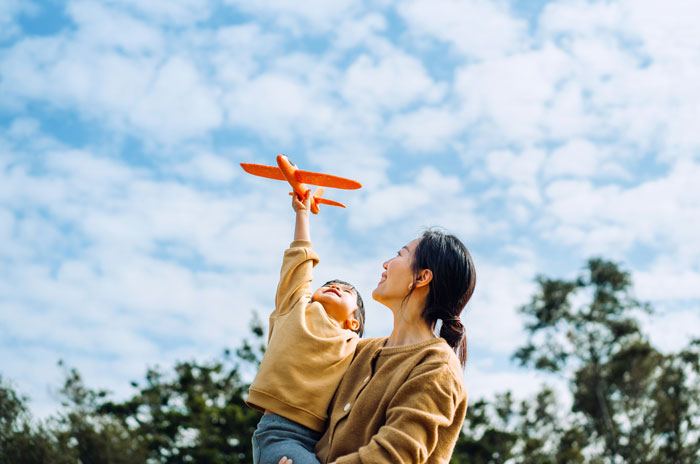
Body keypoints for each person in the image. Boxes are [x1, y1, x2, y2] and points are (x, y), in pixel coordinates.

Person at [280, 228, 476, 464]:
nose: (386, 264)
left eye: (400, 255)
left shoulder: (437, 366)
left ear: (422, 277)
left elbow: (393, 456)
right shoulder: (361, 350)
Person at [247, 193, 366, 464]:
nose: (337, 287)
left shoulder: (353, 344)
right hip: (279, 434)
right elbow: (299, 260)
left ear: (354, 323)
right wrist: (303, 213)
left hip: (324, 441)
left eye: (348, 292)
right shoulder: (296, 307)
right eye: (329, 284)